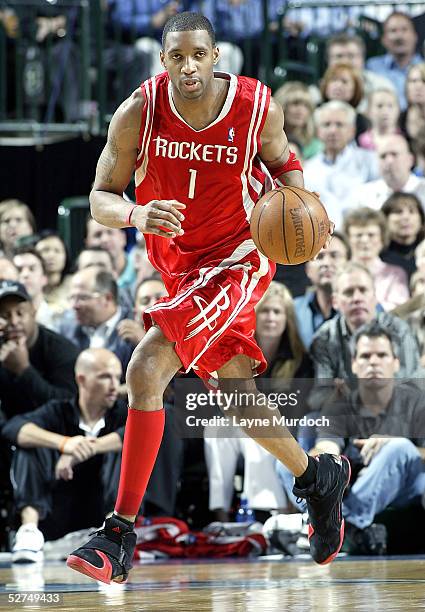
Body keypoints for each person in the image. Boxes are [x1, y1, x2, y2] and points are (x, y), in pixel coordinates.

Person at [66, 12, 349, 584]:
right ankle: (317, 478)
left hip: (240, 256)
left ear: (216, 55)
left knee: (146, 368)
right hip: (181, 267)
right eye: (177, 57)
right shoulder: (138, 114)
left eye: (199, 54)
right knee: (238, 398)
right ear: (163, 60)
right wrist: (136, 213)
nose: (189, 66)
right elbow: (99, 196)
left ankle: (118, 534)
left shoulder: (255, 105)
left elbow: (282, 161)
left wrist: (304, 213)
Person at [277, 322, 425, 554]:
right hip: (357, 486)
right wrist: (312, 463)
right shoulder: (340, 405)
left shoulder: (417, 401)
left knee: (400, 448)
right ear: (354, 364)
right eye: (365, 356)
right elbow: (327, 445)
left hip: (408, 485)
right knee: (287, 461)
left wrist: (390, 445)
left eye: (381, 355)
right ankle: (334, 526)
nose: (373, 362)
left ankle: (340, 527)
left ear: (396, 363)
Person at [2, 348, 126, 563]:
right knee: (31, 444)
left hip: (104, 508)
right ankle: (29, 531)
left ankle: (112, 537)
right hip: (57, 509)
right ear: (82, 380)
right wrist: (65, 444)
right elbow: (14, 428)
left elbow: (141, 434)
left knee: (127, 448)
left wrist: (87, 449)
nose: (115, 386)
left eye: (117, 377)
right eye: (106, 377)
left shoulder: (123, 413)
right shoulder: (58, 411)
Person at [204, 281, 313, 521]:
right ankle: (220, 516)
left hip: (285, 430)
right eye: (264, 311)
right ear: (253, 315)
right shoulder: (238, 355)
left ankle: (268, 512)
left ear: (287, 319)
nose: (271, 317)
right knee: (215, 428)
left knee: (258, 425)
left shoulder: (300, 360)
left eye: (277, 311)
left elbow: (297, 408)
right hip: (243, 426)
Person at [309, 262, 423, 413]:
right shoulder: (324, 338)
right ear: (335, 301)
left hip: (395, 413)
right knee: (309, 422)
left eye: (363, 290)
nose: (357, 298)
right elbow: (318, 396)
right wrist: (334, 396)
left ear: (375, 297)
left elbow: (412, 384)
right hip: (345, 414)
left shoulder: (398, 330)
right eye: (349, 292)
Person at [0, 280, 78, 420]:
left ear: (33, 313)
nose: (14, 321)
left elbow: (68, 404)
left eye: (20, 313)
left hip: (52, 430)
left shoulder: (61, 349)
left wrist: (24, 370)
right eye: (5, 315)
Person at [303, 100, 379, 228]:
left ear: (352, 131)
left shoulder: (370, 161)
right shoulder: (308, 169)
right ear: (318, 131)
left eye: (339, 125)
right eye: (326, 125)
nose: (333, 130)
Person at [59, 268, 134, 374]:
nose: (74, 305)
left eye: (82, 298)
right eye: (72, 298)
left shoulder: (134, 328)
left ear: (107, 298)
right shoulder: (66, 330)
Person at [343, 207, 409, 311]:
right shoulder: (339, 272)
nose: (365, 240)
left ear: (382, 239)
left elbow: (400, 310)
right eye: (358, 235)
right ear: (348, 240)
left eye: (371, 235)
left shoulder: (395, 274)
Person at [294, 232, 350, 349]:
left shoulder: (366, 307)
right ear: (307, 269)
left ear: (349, 263)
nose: (326, 263)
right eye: (319, 257)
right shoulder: (293, 310)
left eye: (334, 256)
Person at [348, 133, 425, 210]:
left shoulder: (422, 189)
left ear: (410, 160)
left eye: (394, 154)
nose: (389, 161)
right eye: (383, 156)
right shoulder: (363, 195)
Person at [366, 12, 422, 111]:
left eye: (404, 30)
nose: (399, 36)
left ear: (415, 36)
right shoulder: (372, 67)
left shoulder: (423, 66)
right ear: (383, 39)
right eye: (393, 31)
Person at [380, 191, 425, 279]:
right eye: (398, 212)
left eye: (412, 211)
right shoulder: (378, 254)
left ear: (421, 220)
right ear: (385, 219)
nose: (405, 217)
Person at [273, 81, 322, 160]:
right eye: (295, 104)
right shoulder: (269, 141)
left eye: (306, 106)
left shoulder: (317, 148)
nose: (300, 110)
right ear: (282, 106)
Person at [13, 247, 57, 331]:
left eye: (32, 269)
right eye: (19, 270)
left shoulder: (58, 318)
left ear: (44, 278)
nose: (25, 274)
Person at [34, 231, 72, 319]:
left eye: (57, 251)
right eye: (45, 250)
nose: (51, 255)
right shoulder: (30, 286)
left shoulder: (75, 284)